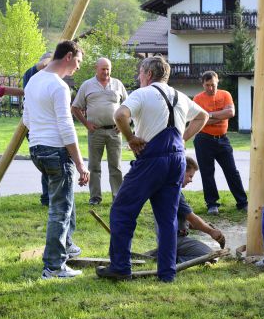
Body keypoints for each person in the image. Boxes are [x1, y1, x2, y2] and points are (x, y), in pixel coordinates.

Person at [96, 57, 208, 282]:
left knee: (122, 211)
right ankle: (167, 273)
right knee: (168, 219)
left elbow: (119, 115)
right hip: (177, 160)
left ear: (148, 74)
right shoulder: (180, 96)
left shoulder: (142, 93)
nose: (139, 77)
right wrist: (183, 139)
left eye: (140, 73)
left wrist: (131, 138)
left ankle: (120, 267)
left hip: (151, 160)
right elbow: (203, 116)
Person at [23, 40, 90, 279]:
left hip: (36, 149)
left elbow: (27, 120)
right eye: (79, 62)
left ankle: (67, 244)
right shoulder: (59, 86)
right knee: (60, 209)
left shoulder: (33, 80)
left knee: (64, 200)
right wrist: (81, 164)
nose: (79, 68)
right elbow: (66, 127)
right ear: (68, 56)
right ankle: (53, 267)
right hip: (56, 151)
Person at [147, 157, 226, 263]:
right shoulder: (175, 193)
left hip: (165, 239)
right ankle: (171, 259)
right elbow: (192, 219)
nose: (191, 180)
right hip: (175, 240)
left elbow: (180, 220)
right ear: (181, 171)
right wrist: (211, 231)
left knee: (207, 255)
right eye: (190, 176)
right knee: (211, 256)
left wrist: (192, 225)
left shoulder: (166, 188)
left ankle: (165, 254)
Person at [71, 58, 128, 205]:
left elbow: (129, 106)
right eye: (103, 69)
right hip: (95, 131)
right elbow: (75, 107)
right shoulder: (87, 85)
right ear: (96, 68)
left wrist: (123, 124)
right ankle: (95, 197)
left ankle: (118, 197)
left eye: (108, 68)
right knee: (94, 166)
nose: (106, 72)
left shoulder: (117, 84)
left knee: (115, 166)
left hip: (114, 132)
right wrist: (86, 124)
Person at [193, 71, 247, 214]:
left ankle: (242, 202)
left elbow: (230, 113)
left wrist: (208, 115)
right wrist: (220, 115)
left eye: (213, 85)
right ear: (203, 84)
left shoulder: (225, 94)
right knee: (207, 172)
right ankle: (212, 204)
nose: (210, 88)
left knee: (232, 171)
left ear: (218, 82)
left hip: (222, 139)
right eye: (207, 85)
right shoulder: (198, 99)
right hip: (203, 139)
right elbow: (198, 120)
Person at [23, 51, 53, 206]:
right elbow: (44, 64)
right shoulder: (32, 74)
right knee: (49, 164)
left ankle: (48, 198)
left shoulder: (49, 79)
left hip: (46, 128)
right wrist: (54, 57)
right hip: (39, 129)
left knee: (50, 166)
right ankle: (47, 198)